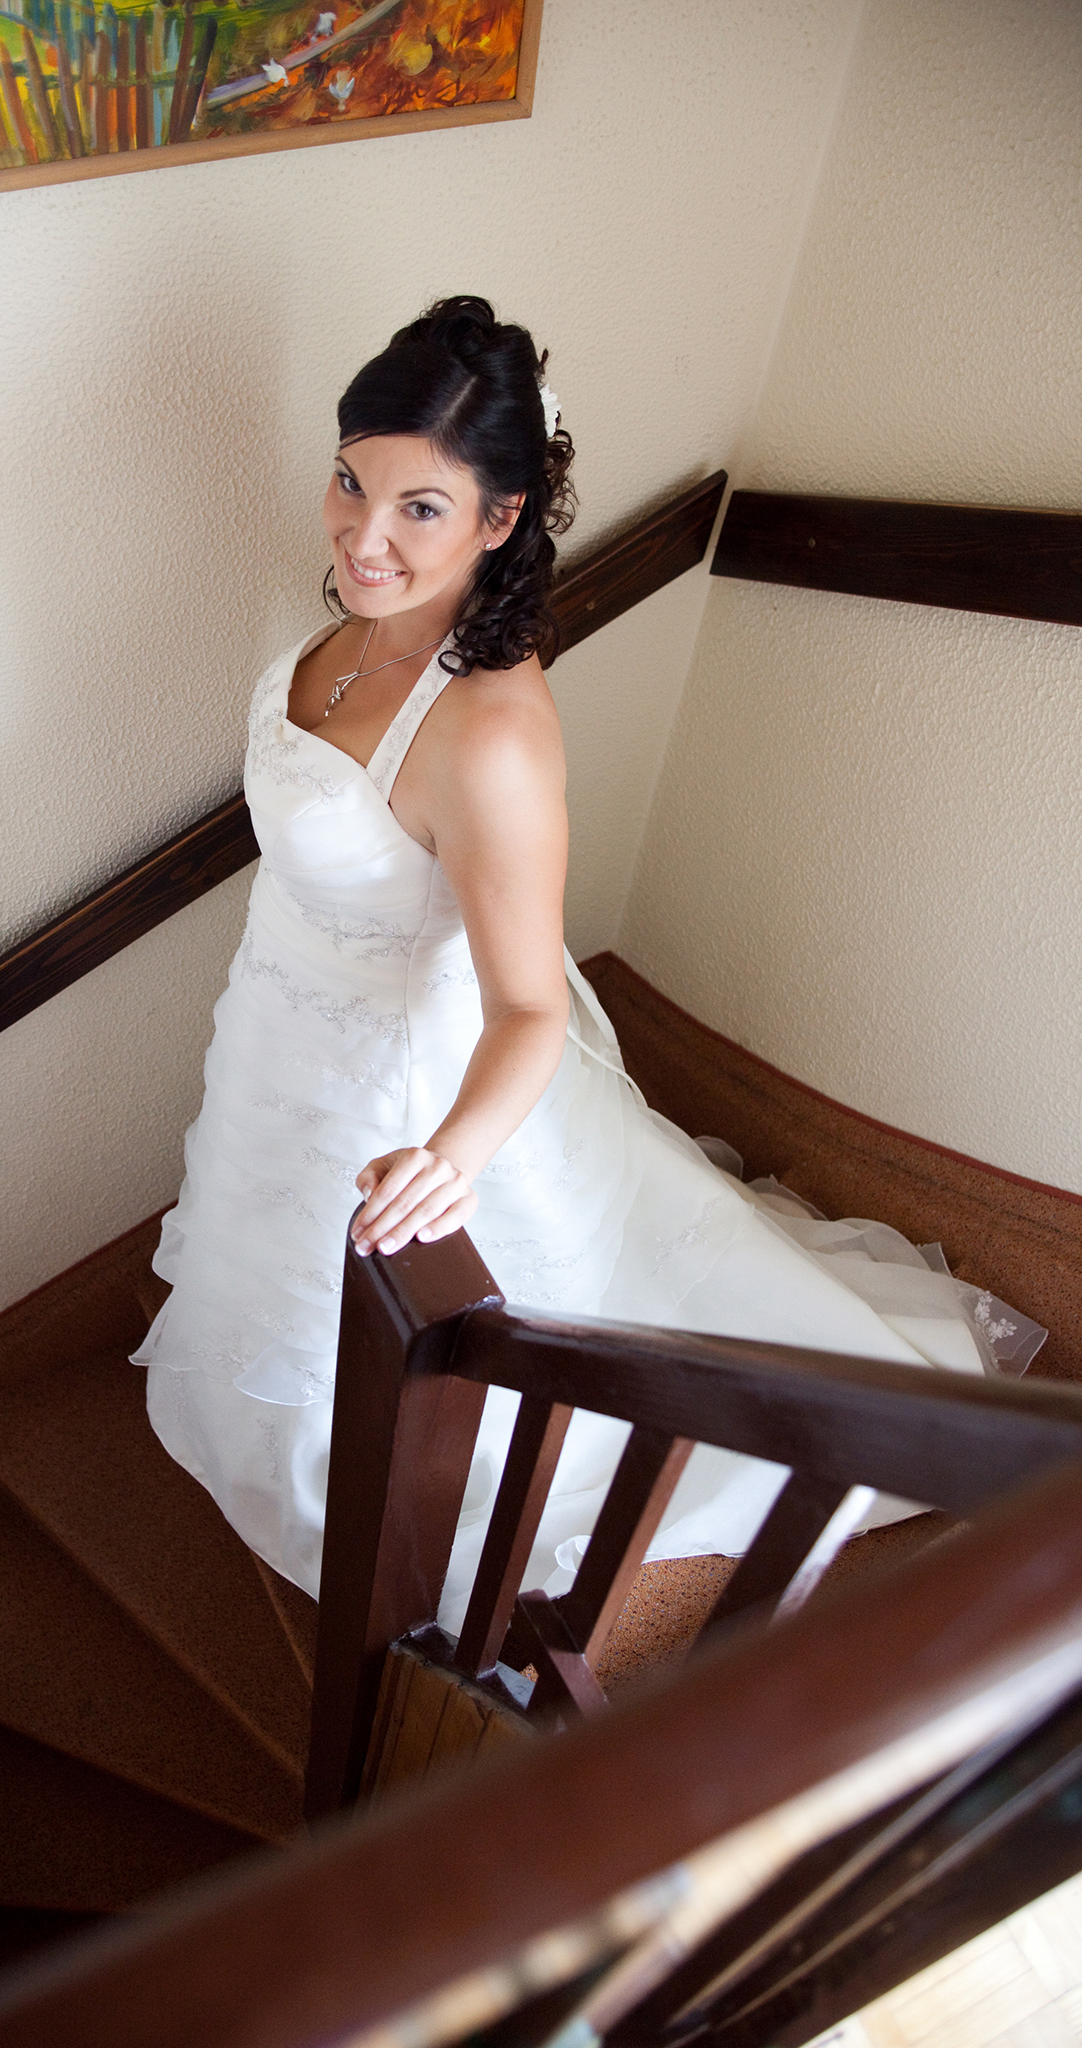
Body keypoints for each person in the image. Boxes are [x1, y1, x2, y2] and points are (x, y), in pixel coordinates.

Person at [134, 297, 1042, 1631]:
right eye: (349, 481)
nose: (362, 537)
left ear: (499, 517)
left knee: (416, 1320)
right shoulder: (346, 630)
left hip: (409, 1074)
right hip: (284, 1021)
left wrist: (447, 1156)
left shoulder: (492, 734)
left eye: (419, 508)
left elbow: (525, 1006)